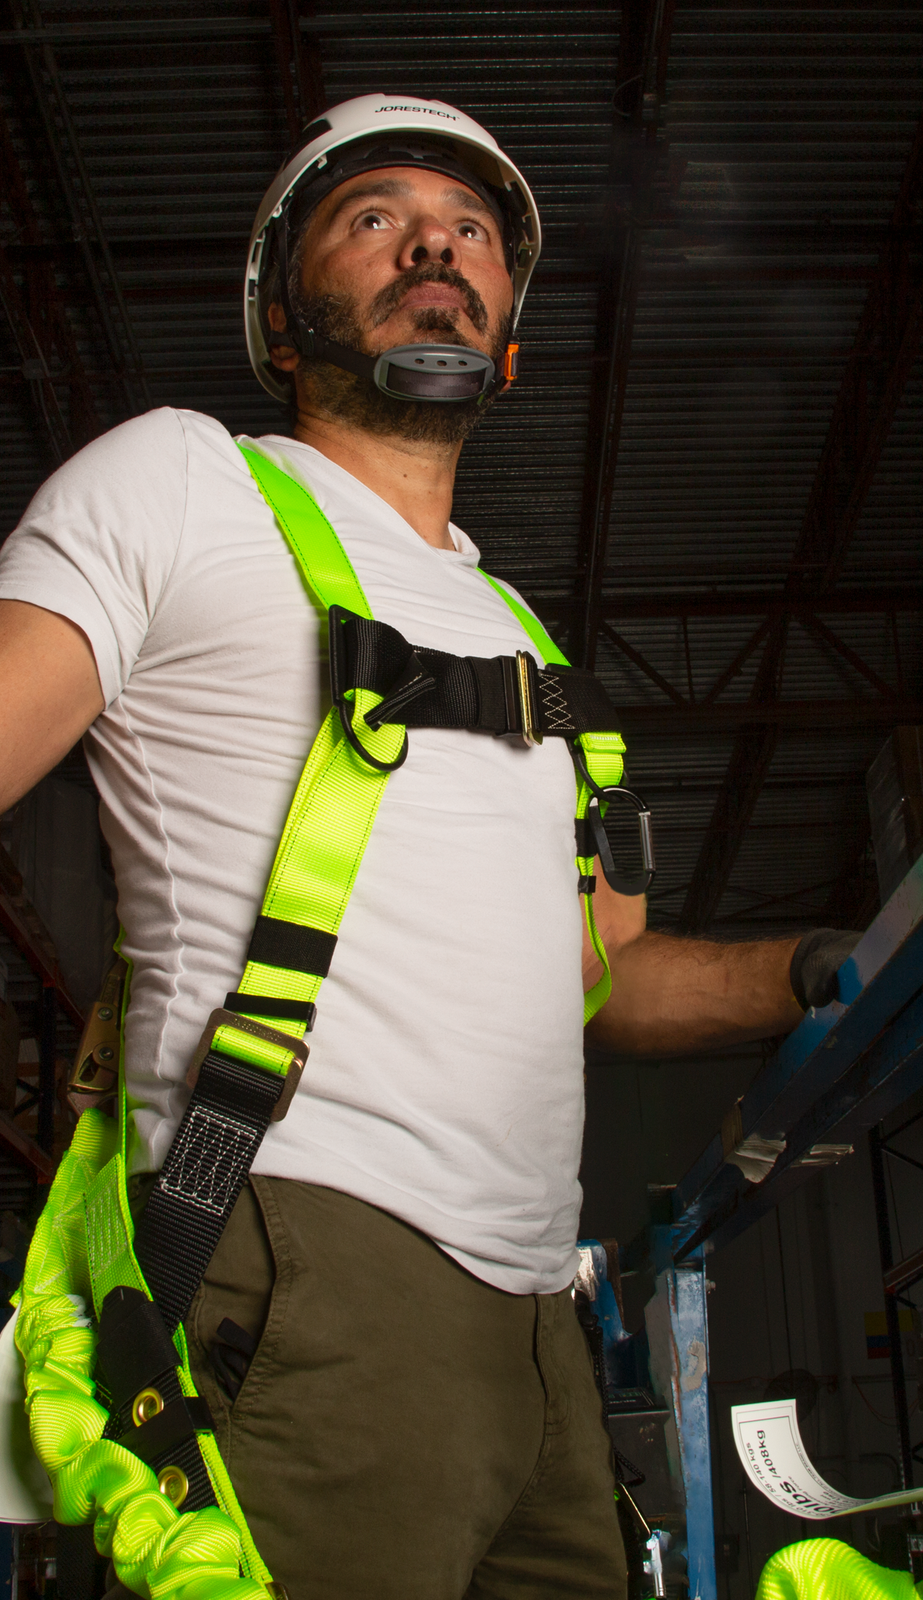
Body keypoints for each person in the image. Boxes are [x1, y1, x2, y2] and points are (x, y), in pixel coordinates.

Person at [0, 96, 857, 1600]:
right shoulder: (186, 485)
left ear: (510, 330)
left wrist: (833, 966)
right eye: (376, 217)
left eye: (471, 233)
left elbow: (608, 982)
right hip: (304, 1255)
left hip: (541, 1328)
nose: (436, 248)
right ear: (283, 312)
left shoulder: (528, 642)